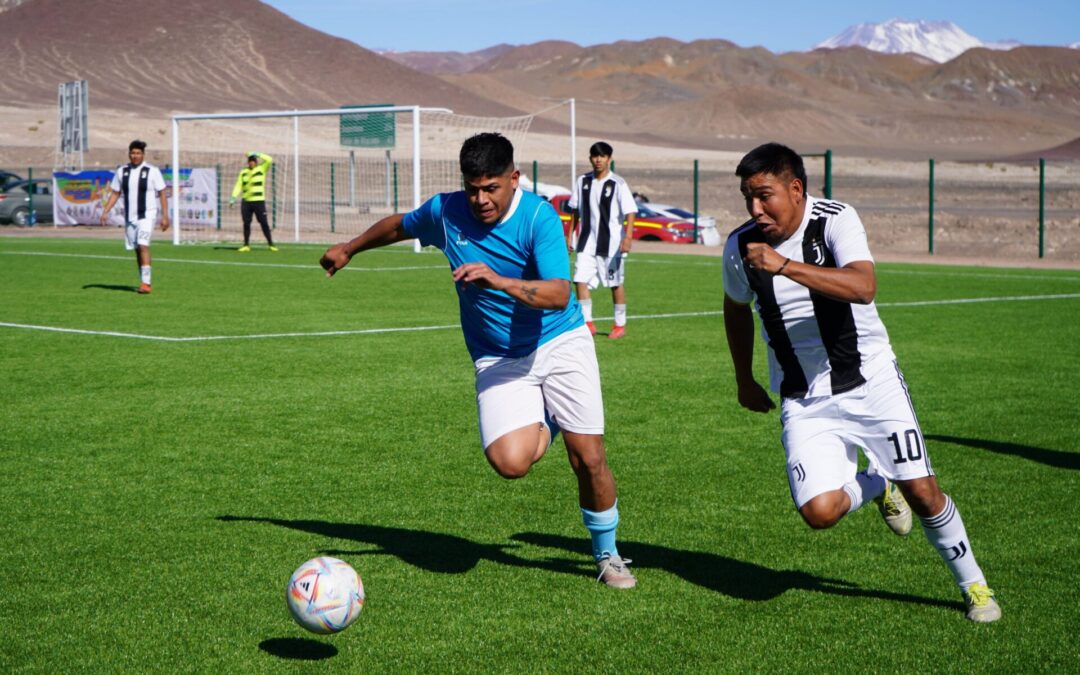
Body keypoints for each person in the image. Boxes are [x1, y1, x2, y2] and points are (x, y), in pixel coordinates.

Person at [319, 133, 636, 588]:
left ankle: (607, 554)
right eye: (473, 188)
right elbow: (399, 225)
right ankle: (552, 416)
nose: (481, 199)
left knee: (588, 457)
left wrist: (498, 280)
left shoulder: (538, 217)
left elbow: (559, 293)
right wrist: (349, 248)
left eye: (491, 188)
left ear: (514, 179)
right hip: (497, 356)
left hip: (560, 341)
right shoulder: (446, 212)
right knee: (510, 464)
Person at [721, 142, 1001, 623]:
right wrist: (744, 378)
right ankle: (876, 483)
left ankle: (975, 586)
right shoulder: (740, 245)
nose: (755, 209)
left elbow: (863, 286)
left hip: (870, 383)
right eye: (747, 197)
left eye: (764, 195)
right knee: (819, 512)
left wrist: (784, 265)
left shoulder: (835, 220)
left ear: (795, 188)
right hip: (803, 396)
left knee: (925, 493)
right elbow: (734, 306)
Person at [566, 141, 636, 340]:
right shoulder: (582, 182)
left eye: (603, 156)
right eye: (595, 156)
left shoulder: (618, 184)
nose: (598, 159)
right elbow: (574, 211)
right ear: (590, 158)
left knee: (615, 283)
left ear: (609, 159)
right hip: (586, 242)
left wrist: (628, 237)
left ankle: (620, 324)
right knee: (579, 280)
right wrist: (569, 234)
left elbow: (630, 211)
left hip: (612, 244)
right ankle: (587, 322)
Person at [100, 140, 169, 294]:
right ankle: (143, 280)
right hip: (130, 217)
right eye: (132, 153)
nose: (135, 156)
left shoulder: (152, 171)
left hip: (147, 215)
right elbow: (116, 193)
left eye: (138, 153)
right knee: (137, 248)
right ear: (129, 154)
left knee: (143, 245)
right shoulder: (122, 171)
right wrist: (106, 211)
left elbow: (162, 192)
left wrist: (165, 216)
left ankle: (146, 283)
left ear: (143, 155)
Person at [229, 151, 277, 252]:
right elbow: (238, 185)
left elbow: (269, 159)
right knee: (246, 223)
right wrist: (233, 197)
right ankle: (246, 245)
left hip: (259, 201)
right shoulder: (243, 172)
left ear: (256, 161)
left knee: (264, 222)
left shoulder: (261, 169)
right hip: (246, 202)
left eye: (253, 160)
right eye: (249, 161)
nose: (251, 162)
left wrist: (258, 153)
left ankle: (271, 244)